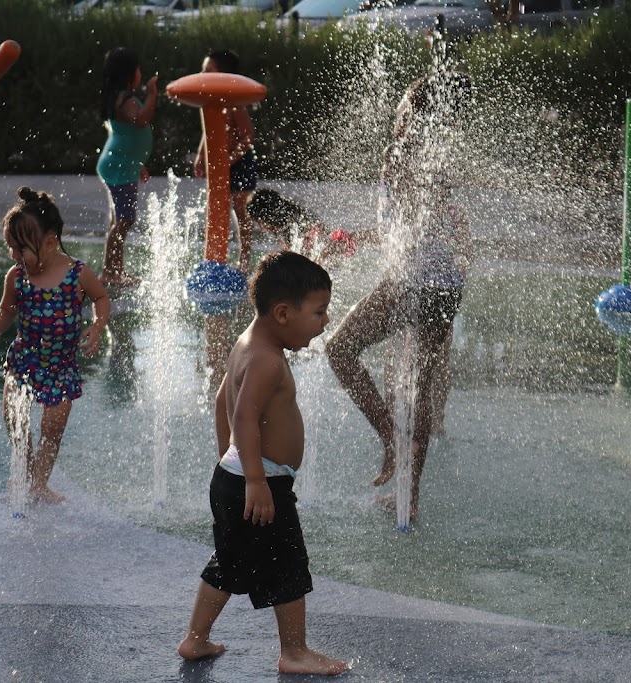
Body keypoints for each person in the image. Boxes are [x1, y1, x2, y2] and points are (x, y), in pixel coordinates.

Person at [177, 251, 347, 677]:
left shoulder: (247, 344)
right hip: (261, 483)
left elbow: (223, 403)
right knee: (289, 565)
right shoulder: (268, 359)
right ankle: (294, 651)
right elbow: (244, 415)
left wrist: (229, 462)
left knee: (229, 561)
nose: (325, 321)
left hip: (237, 478)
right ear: (284, 313)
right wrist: (255, 479)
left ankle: (196, 638)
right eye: (319, 312)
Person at [325, 73, 473, 520]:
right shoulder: (440, 158)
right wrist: (361, 238)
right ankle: (408, 498)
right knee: (419, 390)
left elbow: (408, 228)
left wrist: (394, 274)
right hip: (446, 284)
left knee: (339, 349)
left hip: (412, 279)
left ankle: (390, 439)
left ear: (412, 115)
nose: (395, 116)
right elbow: (419, 225)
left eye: (402, 108)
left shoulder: (399, 153)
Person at [0, 187, 111, 503]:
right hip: (24, 361)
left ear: (50, 242)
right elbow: (6, 309)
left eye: (21, 249)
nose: (14, 256)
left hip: (60, 367)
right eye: (10, 247)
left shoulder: (77, 274)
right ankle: (23, 471)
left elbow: (101, 298)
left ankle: (39, 482)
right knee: (14, 420)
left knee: (52, 431)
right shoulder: (17, 276)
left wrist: (98, 325)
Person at [97, 47, 158, 289]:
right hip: (119, 167)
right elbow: (141, 119)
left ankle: (114, 270)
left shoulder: (118, 98)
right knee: (124, 220)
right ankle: (110, 272)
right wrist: (152, 94)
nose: (141, 73)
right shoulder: (127, 100)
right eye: (138, 69)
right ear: (130, 74)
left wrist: (137, 163)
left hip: (122, 164)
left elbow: (128, 137)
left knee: (119, 220)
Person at [194, 49, 258, 270]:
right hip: (221, 163)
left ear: (224, 74)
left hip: (239, 162)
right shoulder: (209, 103)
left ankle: (244, 257)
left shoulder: (233, 103)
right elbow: (208, 132)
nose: (203, 73)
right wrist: (201, 155)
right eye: (203, 69)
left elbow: (248, 136)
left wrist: (229, 160)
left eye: (208, 70)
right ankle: (216, 255)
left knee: (240, 210)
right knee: (217, 207)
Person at [245, 187, 359, 265]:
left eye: (259, 222)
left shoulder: (300, 225)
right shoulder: (290, 221)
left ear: (268, 216)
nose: (260, 227)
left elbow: (316, 258)